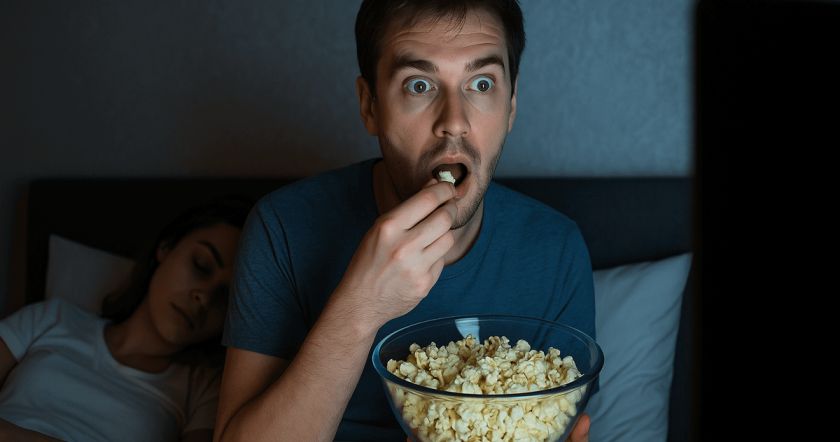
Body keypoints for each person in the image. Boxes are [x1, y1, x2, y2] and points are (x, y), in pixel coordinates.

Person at [215, 1, 595, 441]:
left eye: (481, 83)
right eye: (419, 85)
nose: (454, 123)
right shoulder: (282, 227)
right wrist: (361, 305)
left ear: (510, 105)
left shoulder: (556, 248)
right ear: (370, 106)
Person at [0, 197, 252, 442]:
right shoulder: (53, 318)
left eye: (226, 296)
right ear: (166, 248)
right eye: (201, 265)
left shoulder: (203, 389)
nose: (204, 297)